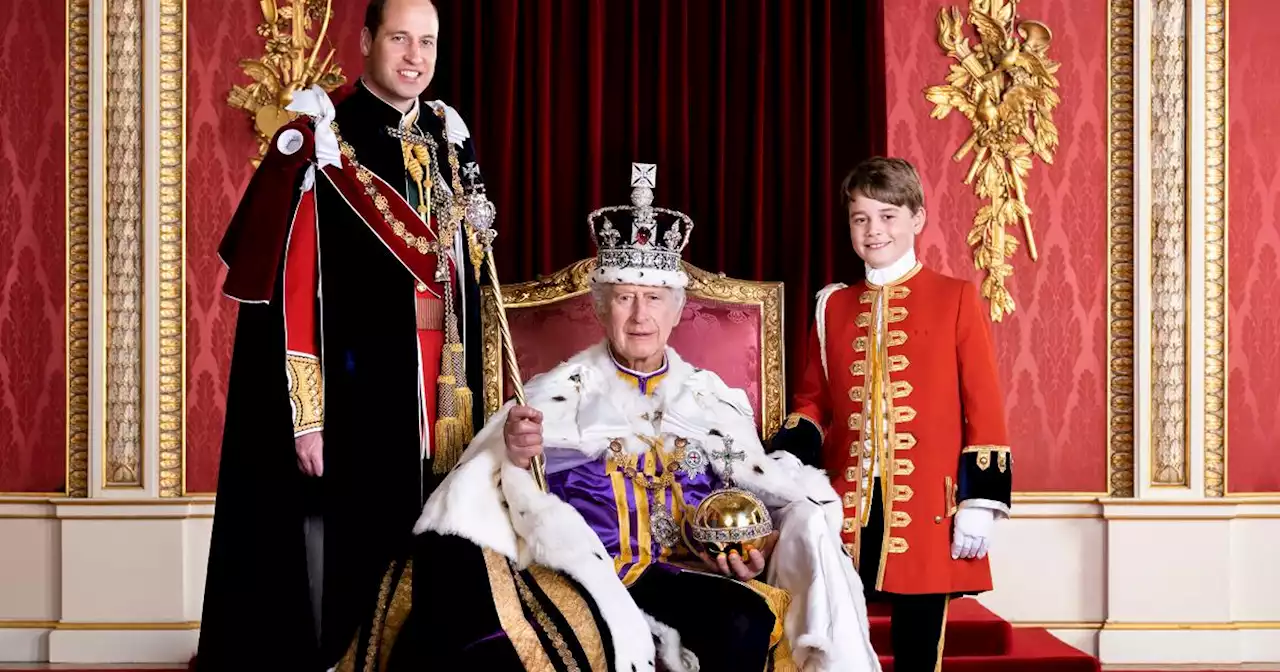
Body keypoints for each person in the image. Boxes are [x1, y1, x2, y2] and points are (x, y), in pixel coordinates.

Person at [336, 164, 881, 672]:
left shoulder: (712, 401)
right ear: (600, 309)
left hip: (686, 572)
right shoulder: (553, 397)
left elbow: (757, 498)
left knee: (744, 618)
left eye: (653, 298)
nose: (640, 315)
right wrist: (517, 455)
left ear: (676, 310)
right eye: (624, 298)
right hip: (587, 573)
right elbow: (498, 493)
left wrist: (748, 549)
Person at [196, 0, 495, 668]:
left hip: (447, 392)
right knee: (363, 569)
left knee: (444, 563)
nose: (415, 57)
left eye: (428, 42)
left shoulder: (450, 136)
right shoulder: (325, 134)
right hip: (361, 392)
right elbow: (293, 289)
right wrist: (307, 416)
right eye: (399, 39)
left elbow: (472, 280)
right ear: (365, 41)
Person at [768, 157, 1014, 672]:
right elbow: (814, 399)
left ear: (917, 219)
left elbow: (983, 403)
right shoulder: (832, 306)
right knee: (838, 637)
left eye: (887, 216)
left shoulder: (956, 297)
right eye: (861, 219)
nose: (874, 230)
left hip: (930, 505)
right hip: (847, 503)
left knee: (919, 647)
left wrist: (981, 499)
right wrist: (792, 457)